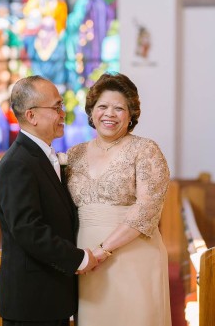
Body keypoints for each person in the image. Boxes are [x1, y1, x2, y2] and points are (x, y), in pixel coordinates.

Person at [65, 72, 171, 326]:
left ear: (131, 115)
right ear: (91, 112)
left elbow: (147, 207)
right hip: (86, 256)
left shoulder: (145, 150)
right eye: (102, 106)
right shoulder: (75, 154)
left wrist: (103, 250)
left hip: (132, 253)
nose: (109, 114)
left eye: (118, 108)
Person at [0, 76, 98, 326]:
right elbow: (28, 230)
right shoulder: (17, 164)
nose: (63, 113)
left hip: (49, 295)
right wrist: (78, 258)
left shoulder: (40, 156)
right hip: (32, 301)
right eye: (56, 107)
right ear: (31, 116)